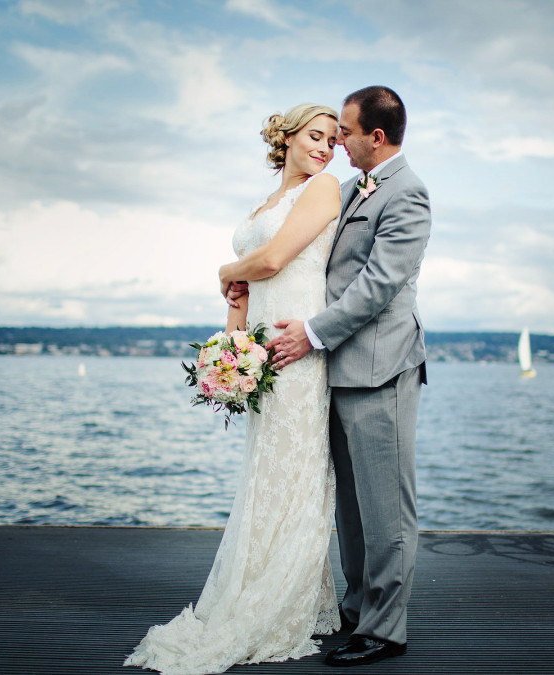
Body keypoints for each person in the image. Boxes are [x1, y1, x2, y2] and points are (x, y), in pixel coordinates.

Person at [123, 103, 343, 673]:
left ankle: (283, 600)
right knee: (264, 474)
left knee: (293, 472)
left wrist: (225, 270)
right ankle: (256, 589)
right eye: (316, 137)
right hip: (262, 348)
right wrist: (232, 346)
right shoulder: (264, 204)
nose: (325, 148)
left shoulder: (324, 190)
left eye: (333, 141)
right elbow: (248, 289)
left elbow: (270, 259)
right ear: (288, 137)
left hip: (297, 348)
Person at [268, 85, 431, 668]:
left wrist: (310, 332)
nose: (338, 139)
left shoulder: (407, 194)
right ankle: (358, 607)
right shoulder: (349, 188)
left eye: (346, 131)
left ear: (376, 137)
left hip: (380, 369)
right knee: (353, 509)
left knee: (386, 507)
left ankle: (386, 630)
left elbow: (377, 285)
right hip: (335, 371)